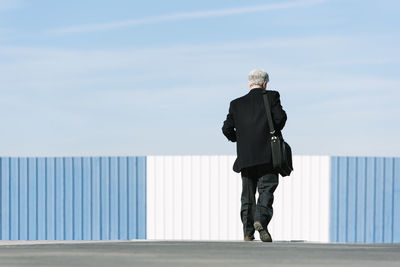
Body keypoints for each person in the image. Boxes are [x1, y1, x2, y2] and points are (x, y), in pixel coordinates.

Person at [222, 69, 287, 242]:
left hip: (246, 157)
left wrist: (240, 139)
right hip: (267, 154)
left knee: (247, 196)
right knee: (266, 189)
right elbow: (280, 119)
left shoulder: (236, 104)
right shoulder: (271, 96)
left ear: (249, 83)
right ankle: (261, 220)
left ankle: (247, 232)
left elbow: (226, 128)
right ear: (265, 83)